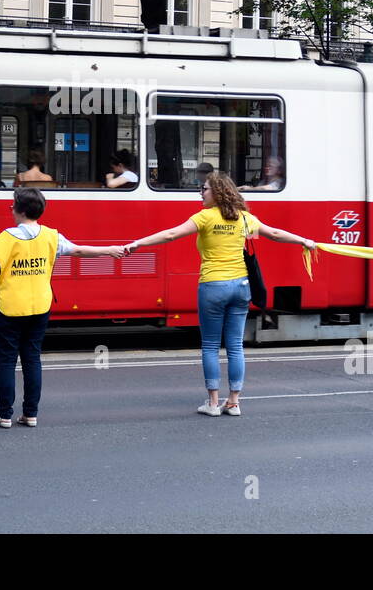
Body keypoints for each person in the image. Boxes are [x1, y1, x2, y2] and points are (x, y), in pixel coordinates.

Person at [123, 172, 316, 417]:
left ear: (216, 192)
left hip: (213, 286)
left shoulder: (205, 217)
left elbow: (171, 235)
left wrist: (137, 243)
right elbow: (274, 234)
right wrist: (304, 241)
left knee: (211, 345)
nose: (201, 194)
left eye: (204, 189)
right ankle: (233, 402)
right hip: (241, 287)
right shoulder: (245, 219)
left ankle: (213, 403)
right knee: (235, 346)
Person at [0, 187, 126, 427]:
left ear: (19, 210)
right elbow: (79, 250)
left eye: (13, 204)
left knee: (7, 360)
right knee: (32, 359)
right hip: (40, 305)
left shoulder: (5, 238)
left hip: (9, 307)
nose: (10, 207)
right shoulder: (51, 236)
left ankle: (5, 415)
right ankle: (30, 414)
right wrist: (109, 251)